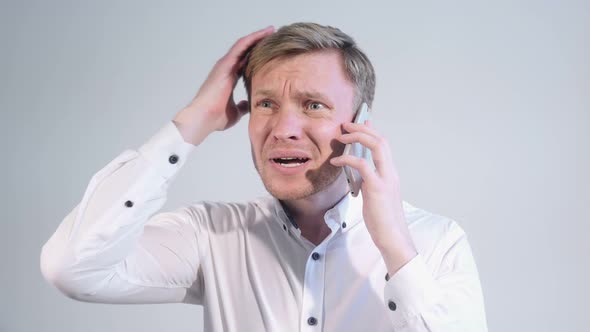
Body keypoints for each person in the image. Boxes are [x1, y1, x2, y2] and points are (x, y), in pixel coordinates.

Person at [40, 22, 488, 331]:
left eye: (314, 105)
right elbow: (73, 268)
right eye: (266, 104)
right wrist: (190, 124)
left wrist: (395, 247)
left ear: (360, 122)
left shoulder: (435, 242)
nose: (283, 128)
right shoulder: (212, 236)